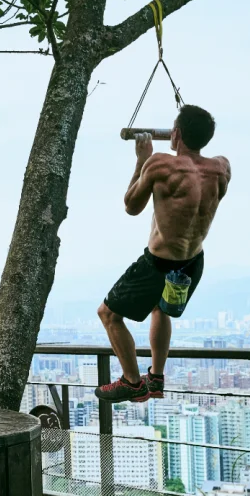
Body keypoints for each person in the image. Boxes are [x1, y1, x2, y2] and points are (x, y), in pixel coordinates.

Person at [96, 104, 230, 403]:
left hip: (158, 262)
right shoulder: (221, 168)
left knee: (108, 314)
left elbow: (131, 206)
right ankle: (156, 378)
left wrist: (141, 162)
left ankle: (132, 382)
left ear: (177, 133)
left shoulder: (161, 165)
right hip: (192, 262)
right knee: (161, 309)